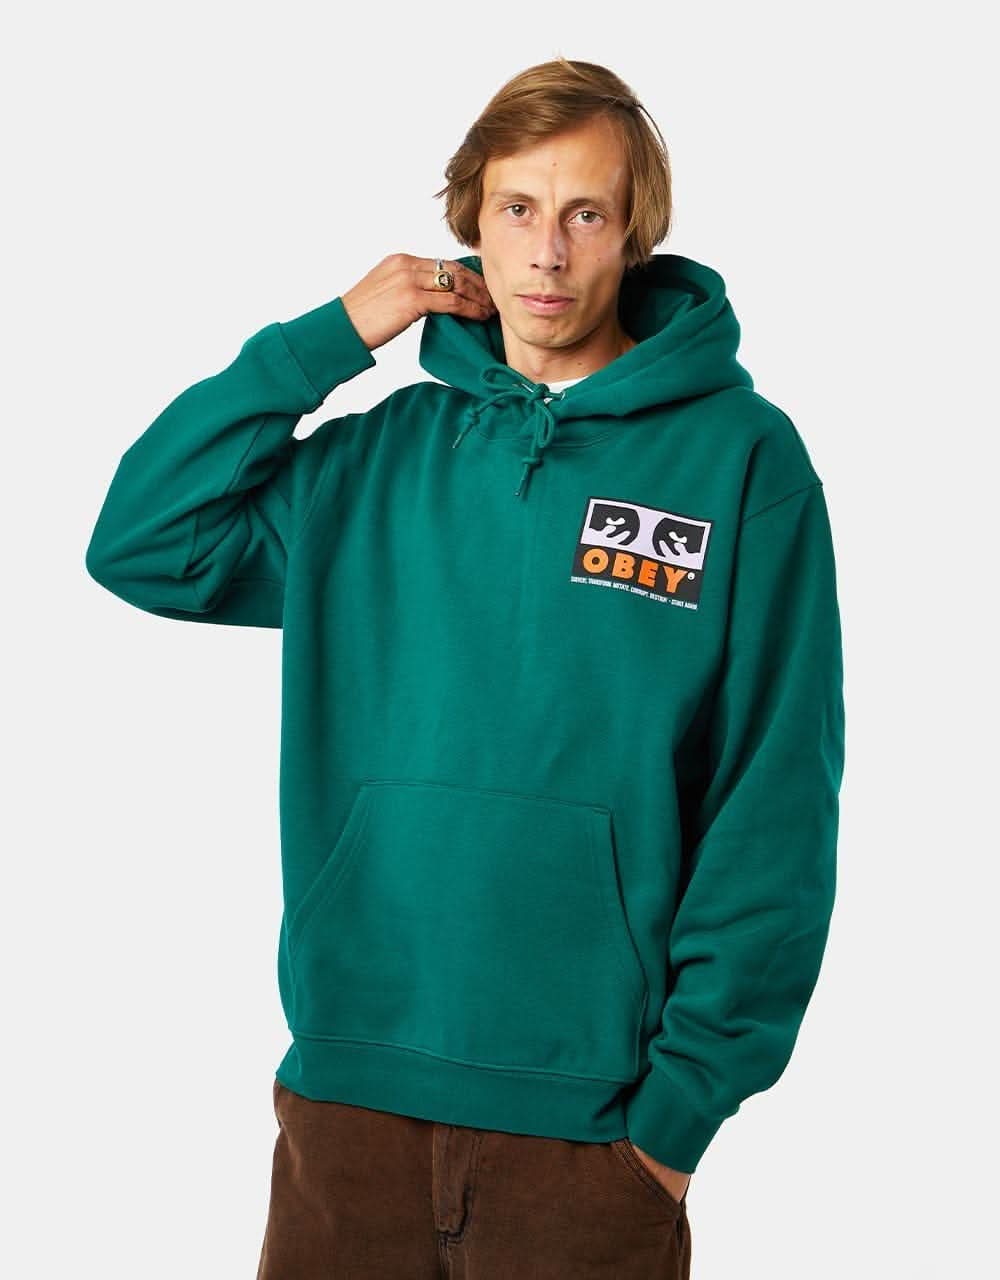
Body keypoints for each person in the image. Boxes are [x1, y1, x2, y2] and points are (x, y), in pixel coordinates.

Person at [85, 56, 845, 1280]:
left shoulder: (740, 462)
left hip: (595, 1134)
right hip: (348, 1108)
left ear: (633, 234)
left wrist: (677, 1116)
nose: (547, 252)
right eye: (517, 209)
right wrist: (329, 338)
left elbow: (776, 796)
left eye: (585, 213)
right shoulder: (370, 463)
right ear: (469, 228)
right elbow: (142, 541)